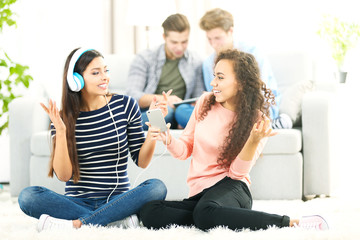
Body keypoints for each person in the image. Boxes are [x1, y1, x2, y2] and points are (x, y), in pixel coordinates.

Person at [139, 49, 328, 231]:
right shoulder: (205, 102)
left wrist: (253, 140)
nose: (213, 82)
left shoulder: (258, 121)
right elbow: (184, 150)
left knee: (205, 212)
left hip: (233, 189)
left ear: (241, 82)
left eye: (220, 77)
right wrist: (167, 137)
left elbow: (237, 174)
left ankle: (290, 224)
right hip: (200, 195)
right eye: (214, 76)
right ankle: (216, 217)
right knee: (150, 211)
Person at [17, 48, 168, 231]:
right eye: (96, 73)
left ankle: (80, 224)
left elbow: (142, 162)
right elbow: (64, 175)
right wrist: (62, 131)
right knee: (28, 196)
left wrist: (153, 130)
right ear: (76, 80)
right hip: (77, 201)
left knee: (157, 187)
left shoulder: (126, 105)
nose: (104, 77)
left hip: (117, 199)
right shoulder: (63, 118)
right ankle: (113, 221)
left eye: (106, 70)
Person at [199, 8, 292, 129]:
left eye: (217, 38)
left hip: (257, 106)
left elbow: (259, 91)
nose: (213, 44)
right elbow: (215, 93)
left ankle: (263, 123)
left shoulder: (252, 53)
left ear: (230, 31)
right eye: (209, 39)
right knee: (184, 111)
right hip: (227, 110)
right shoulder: (208, 63)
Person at [126, 13, 204, 130]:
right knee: (165, 114)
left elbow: (198, 97)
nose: (179, 48)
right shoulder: (145, 58)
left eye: (184, 42)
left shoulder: (195, 61)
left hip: (179, 111)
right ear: (164, 37)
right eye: (174, 42)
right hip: (151, 111)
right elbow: (132, 95)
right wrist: (164, 99)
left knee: (182, 112)